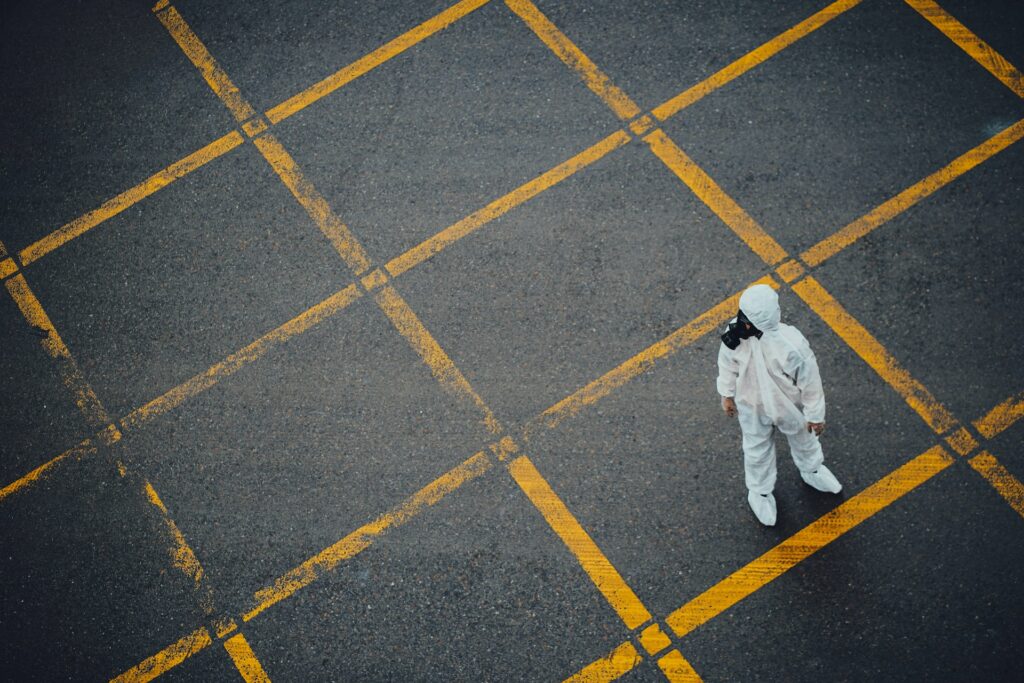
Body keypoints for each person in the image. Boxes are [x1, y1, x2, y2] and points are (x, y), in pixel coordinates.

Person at [716, 284, 841, 526]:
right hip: (751, 405)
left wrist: (815, 415)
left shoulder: (791, 344)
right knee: (756, 450)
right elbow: (726, 364)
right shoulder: (735, 334)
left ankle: (812, 470)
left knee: (804, 440)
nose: (742, 323)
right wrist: (726, 394)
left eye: (747, 319)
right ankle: (760, 492)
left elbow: (810, 381)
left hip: (788, 407)